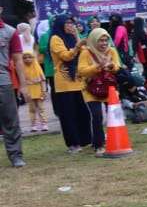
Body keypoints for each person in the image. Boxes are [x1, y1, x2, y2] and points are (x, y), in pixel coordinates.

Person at [48, 14, 93, 153]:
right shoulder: (55, 39)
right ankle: (73, 144)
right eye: (67, 23)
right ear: (60, 25)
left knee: (83, 112)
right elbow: (66, 56)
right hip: (64, 82)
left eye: (72, 23)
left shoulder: (73, 36)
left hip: (78, 80)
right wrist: (77, 46)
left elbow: (84, 52)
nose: (70, 26)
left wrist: (77, 38)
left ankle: (86, 140)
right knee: (68, 114)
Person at [76, 27, 121, 156]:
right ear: (93, 41)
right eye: (100, 41)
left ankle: (116, 140)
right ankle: (99, 145)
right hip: (90, 89)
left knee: (113, 115)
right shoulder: (86, 53)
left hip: (109, 88)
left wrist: (111, 66)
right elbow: (81, 70)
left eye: (106, 40)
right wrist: (98, 66)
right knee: (97, 116)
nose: (104, 44)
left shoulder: (111, 51)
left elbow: (118, 67)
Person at [0, 18, 24, 167]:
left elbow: (18, 60)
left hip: (3, 81)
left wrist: (23, 84)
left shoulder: (10, 31)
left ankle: (16, 156)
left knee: (10, 120)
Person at [20, 51, 49, 133]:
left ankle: (44, 124)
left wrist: (44, 91)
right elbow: (22, 81)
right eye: (25, 58)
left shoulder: (37, 67)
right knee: (32, 109)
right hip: (29, 92)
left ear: (33, 58)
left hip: (39, 91)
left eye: (29, 57)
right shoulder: (22, 69)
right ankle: (34, 125)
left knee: (41, 108)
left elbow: (43, 80)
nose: (27, 59)